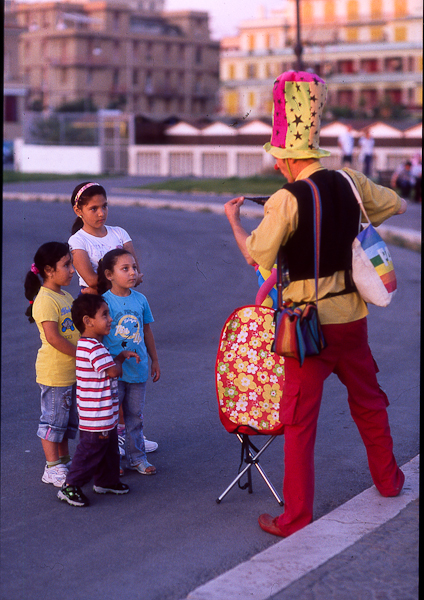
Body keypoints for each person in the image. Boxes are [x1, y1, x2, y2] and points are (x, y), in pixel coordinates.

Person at [224, 70, 407, 538]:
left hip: (307, 329)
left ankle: (295, 517)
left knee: (300, 421)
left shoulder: (285, 199)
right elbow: (396, 206)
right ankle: (389, 481)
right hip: (353, 319)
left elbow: (255, 256)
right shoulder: (349, 181)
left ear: (286, 158)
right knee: (369, 401)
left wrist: (234, 221)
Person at [68, 181, 158, 454]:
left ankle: (131, 436)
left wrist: (127, 277)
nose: (100, 212)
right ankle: (113, 436)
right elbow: (92, 280)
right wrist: (121, 281)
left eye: (104, 206)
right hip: (96, 312)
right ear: (78, 210)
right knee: (108, 375)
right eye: (93, 208)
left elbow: (136, 271)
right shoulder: (78, 240)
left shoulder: (119, 233)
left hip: (123, 306)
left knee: (128, 373)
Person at [57, 294, 139, 507]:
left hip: (102, 415)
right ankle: (70, 486)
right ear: (88, 321)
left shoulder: (89, 346)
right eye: (104, 315)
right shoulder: (94, 348)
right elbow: (114, 372)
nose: (110, 319)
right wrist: (120, 357)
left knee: (109, 451)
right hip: (97, 418)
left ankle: (106, 481)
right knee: (91, 452)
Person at [97, 249, 160, 476]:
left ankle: (137, 458)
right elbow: (97, 336)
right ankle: (111, 461)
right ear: (109, 274)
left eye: (134, 267)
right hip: (113, 371)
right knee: (110, 418)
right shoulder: (103, 302)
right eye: (125, 269)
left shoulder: (140, 300)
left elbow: (147, 331)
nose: (132, 273)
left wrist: (154, 360)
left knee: (134, 416)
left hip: (138, 370)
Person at [24, 242, 79, 488]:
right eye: (66, 265)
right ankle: (52, 467)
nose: (72, 270)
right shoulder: (45, 300)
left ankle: (63, 461)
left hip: (71, 373)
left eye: (71, 264)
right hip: (55, 373)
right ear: (48, 270)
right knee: (53, 421)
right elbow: (54, 338)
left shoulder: (65, 296)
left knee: (66, 422)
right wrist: (82, 355)